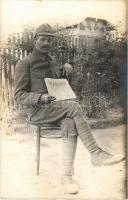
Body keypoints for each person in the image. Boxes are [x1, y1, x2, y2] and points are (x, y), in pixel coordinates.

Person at [14, 24, 125, 195]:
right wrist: (40, 98)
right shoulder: (25, 63)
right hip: (37, 112)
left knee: (69, 124)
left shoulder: (52, 62)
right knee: (73, 106)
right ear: (35, 40)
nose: (46, 43)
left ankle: (66, 177)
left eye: (49, 40)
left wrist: (66, 70)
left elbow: (60, 85)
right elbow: (19, 96)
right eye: (42, 39)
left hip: (57, 108)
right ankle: (96, 153)